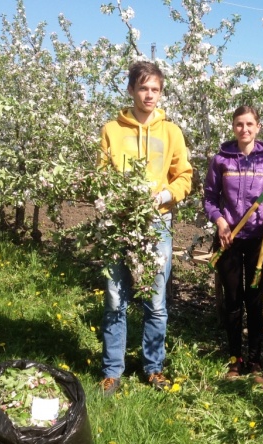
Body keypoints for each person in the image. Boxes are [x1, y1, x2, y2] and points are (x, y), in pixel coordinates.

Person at [98, 61, 193, 396]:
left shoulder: (171, 132)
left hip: (156, 224)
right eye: (143, 88)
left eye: (155, 89)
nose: (149, 95)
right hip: (118, 224)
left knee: (155, 300)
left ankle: (153, 368)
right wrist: (118, 199)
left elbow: (184, 176)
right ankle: (112, 371)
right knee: (114, 297)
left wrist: (165, 195)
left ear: (161, 91)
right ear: (131, 90)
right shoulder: (112, 129)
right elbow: (100, 176)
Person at [203, 105, 263, 385]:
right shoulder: (221, 160)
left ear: (258, 127)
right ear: (233, 127)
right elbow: (210, 198)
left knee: (255, 302)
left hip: (260, 243)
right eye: (239, 124)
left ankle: (256, 362)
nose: (245, 129)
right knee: (233, 302)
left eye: (250, 124)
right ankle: (235, 360)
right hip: (229, 240)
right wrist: (220, 222)